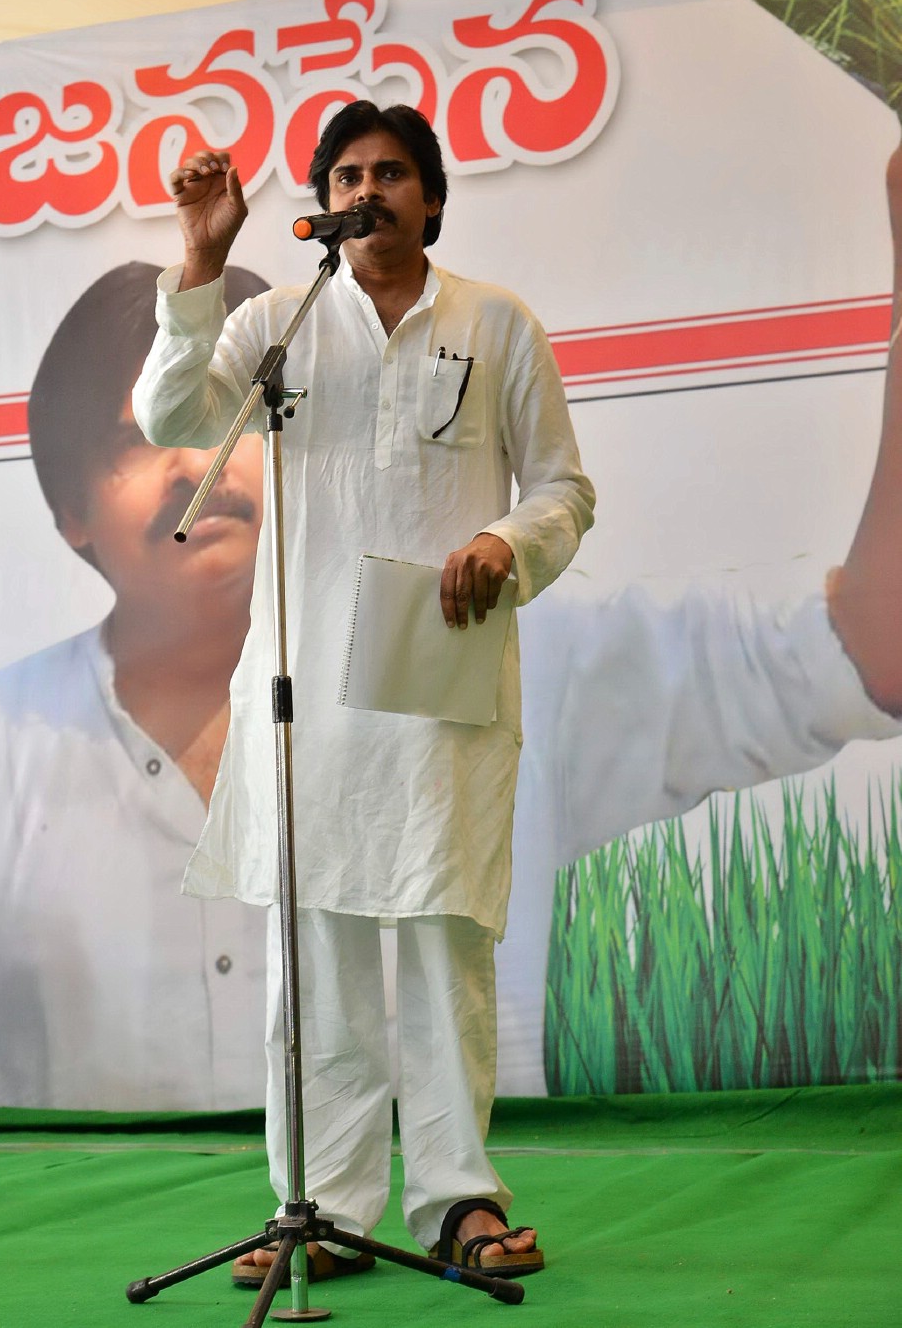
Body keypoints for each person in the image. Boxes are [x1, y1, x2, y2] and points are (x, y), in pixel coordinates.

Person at [133, 101, 597, 1279]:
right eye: (350, 173)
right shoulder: (278, 324)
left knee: (446, 948)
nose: (372, 188)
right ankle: (323, 1208)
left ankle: (458, 1202)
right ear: (326, 200)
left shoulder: (499, 325)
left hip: (443, 680)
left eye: (394, 172)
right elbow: (168, 415)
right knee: (319, 960)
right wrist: (199, 259)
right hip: (311, 697)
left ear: (432, 197)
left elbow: (563, 489)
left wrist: (507, 541)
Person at [0, 261, 271, 1110]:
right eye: (137, 440)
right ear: (72, 513)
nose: (192, 466)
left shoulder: (410, 703)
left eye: (227, 414)